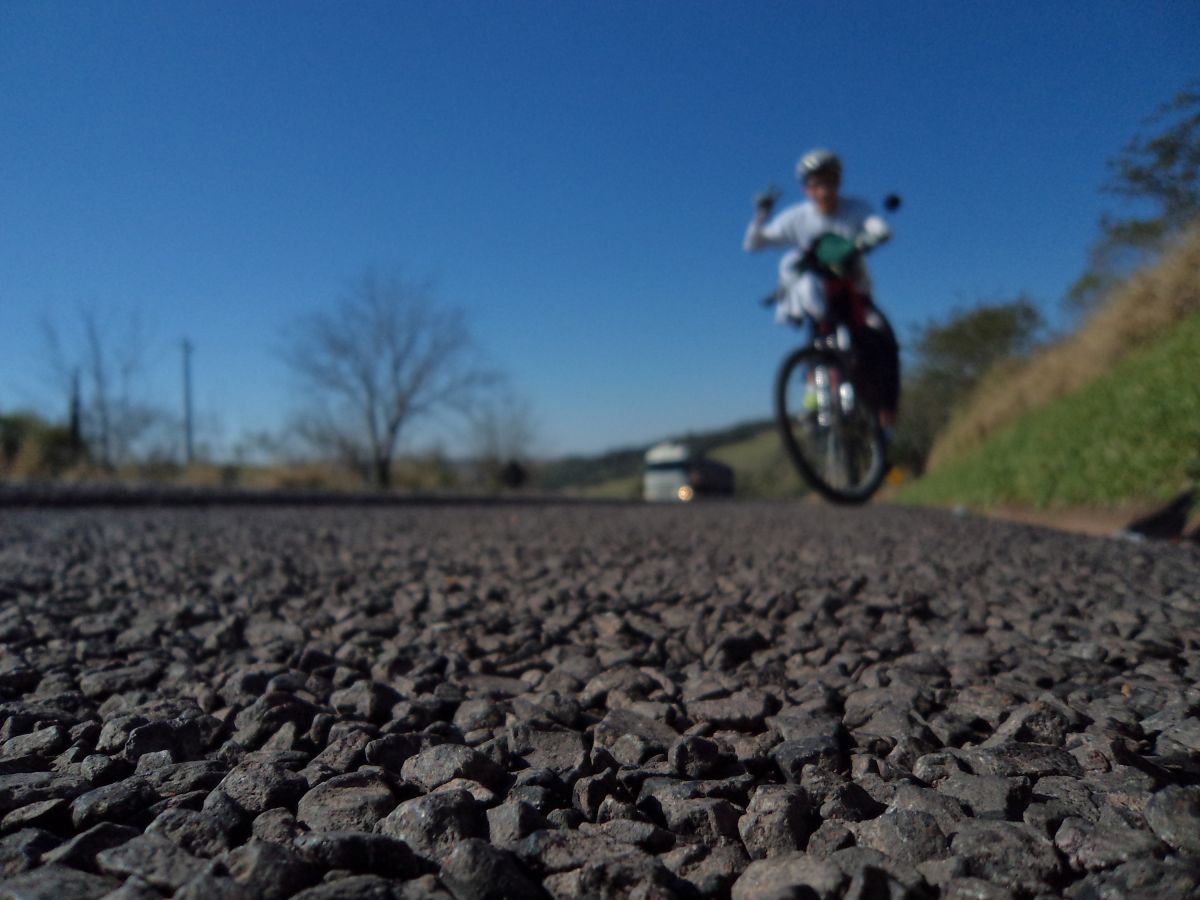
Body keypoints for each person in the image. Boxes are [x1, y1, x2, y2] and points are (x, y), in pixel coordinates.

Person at [744, 148, 900, 430]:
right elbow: (753, 244)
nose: (824, 190)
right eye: (816, 183)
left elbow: (878, 227)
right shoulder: (796, 218)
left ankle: (886, 411)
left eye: (830, 181)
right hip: (819, 299)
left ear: (839, 182)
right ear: (806, 189)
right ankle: (814, 398)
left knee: (883, 337)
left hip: (855, 294)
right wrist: (761, 216)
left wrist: (873, 236)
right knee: (818, 343)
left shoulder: (856, 208)